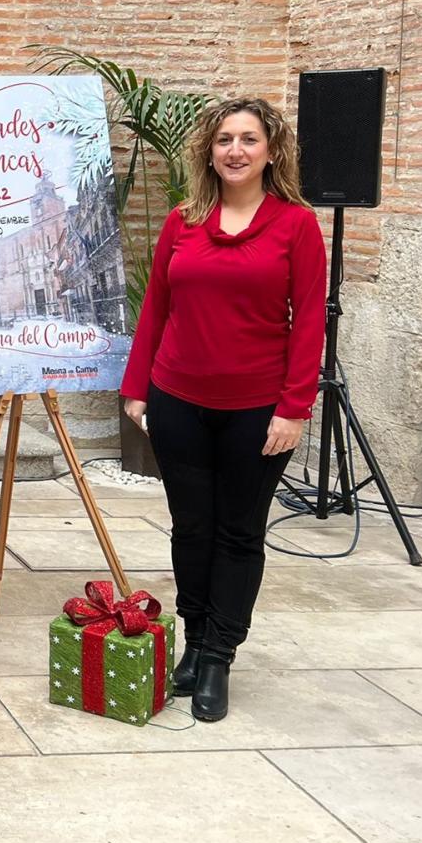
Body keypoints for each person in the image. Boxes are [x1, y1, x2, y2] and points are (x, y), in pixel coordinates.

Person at [119, 96, 326, 722]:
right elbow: (156, 307)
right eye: (224, 139)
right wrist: (136, 388)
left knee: (239, 532)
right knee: (191, 529)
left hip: (257, 411)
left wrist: (293, 410)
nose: (235, 150)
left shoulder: (296, 226)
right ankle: (193, 635)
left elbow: (309, 323)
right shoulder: (184, 221)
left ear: (271, 151)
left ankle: (218, 657)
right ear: (208, 151)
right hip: (178, 400)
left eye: (248, 139)